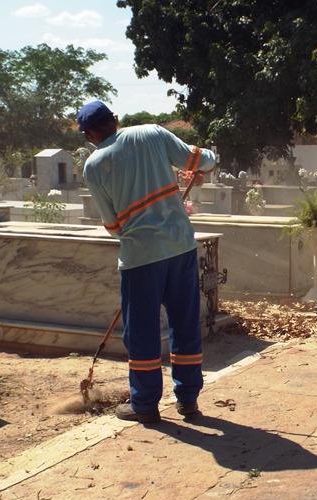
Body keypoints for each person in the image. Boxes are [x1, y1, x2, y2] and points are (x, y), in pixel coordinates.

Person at [78, 100, 217, 423]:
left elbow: (112, 225)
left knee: (142, 332)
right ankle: (188, 399)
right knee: (185, 324)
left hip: (140, 258)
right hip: (180, 247)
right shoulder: (152, 133)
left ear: (88, 135)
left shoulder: (94, 166)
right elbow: (201, 160)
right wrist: (207, 162)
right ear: (115, 119)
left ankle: (144, 404)